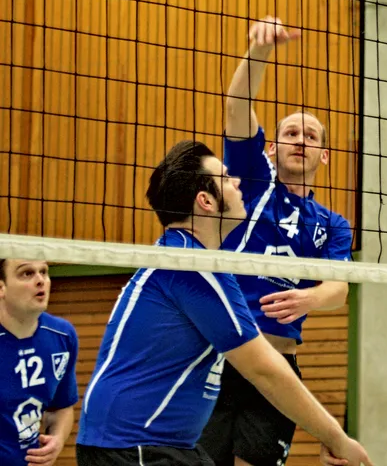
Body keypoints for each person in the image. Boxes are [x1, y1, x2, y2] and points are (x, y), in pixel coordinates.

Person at [75, 141, 370, 466]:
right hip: (135, 448)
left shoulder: (191, 257)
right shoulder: (192, 269)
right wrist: (337, 438)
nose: (237, 183)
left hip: (158, 445)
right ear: (206, 201)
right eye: (226, 179)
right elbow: (265, 371)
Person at [200, 17, 352, 466]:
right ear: (272, 148)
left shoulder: (333, 224)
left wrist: (309, 299)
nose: (300, 140)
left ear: (324, 155)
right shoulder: (251, 179)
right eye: (290, 133)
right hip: (223, 356)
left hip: (280, 365)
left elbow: (339, 288)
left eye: (310, 136)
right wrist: (259, 50)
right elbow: (236, 107)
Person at [0, 259, 78, 466]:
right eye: (26, 274)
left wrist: (58, 440)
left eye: (44, 272)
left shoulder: (62, 335)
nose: (40, 280)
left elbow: (61, 407)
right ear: (1, 287)